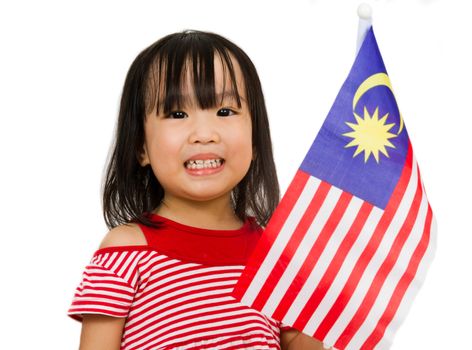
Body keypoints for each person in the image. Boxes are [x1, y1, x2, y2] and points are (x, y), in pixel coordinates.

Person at [67, 30, 327, 350]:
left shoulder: (276, 259)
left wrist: (320, 285)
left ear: (256, 140)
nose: (204, 134)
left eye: (225, 111)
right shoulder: (126, 253)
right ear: (140, 148)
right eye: (177, 114)